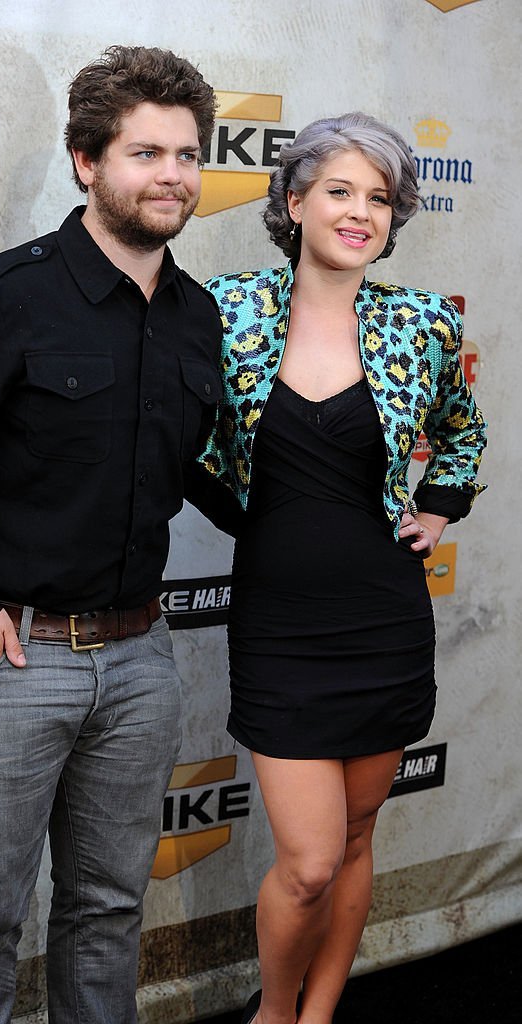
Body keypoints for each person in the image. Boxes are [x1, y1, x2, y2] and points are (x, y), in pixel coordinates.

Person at [0, 45, 220, 1024]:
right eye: (146, 153)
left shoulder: (196, 319)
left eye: (188, 155)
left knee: (108, 911)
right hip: (7, 661)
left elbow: (191, 467)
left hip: (142, 659)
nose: (173, 176)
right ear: (84, 161)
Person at [196, 112, 486, 1024]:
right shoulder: (225, 309)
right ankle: (273, 1015)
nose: (362, 212)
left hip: (384, 617)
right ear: (293, 201)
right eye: (340, 191)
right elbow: (181, 443)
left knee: (358, 837)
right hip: (280, 622)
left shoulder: (423, 320)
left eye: (381, 198)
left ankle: (320, 1013)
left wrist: (440, 506)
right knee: (310, 859)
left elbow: (463, 435)